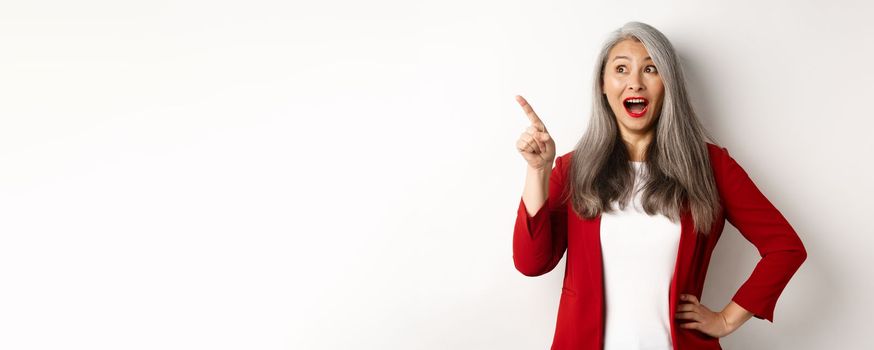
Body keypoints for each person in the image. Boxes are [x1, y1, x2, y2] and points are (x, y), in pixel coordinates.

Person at [512, 21, 807, 350]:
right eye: (621, 69)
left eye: (651, 69)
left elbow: (785, 248)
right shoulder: (572, 168)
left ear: (668, 83)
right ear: (602, 85)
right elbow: (532, 263)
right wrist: (539, 170)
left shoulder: (711, 166)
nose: (635, 83)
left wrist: (726, 319)